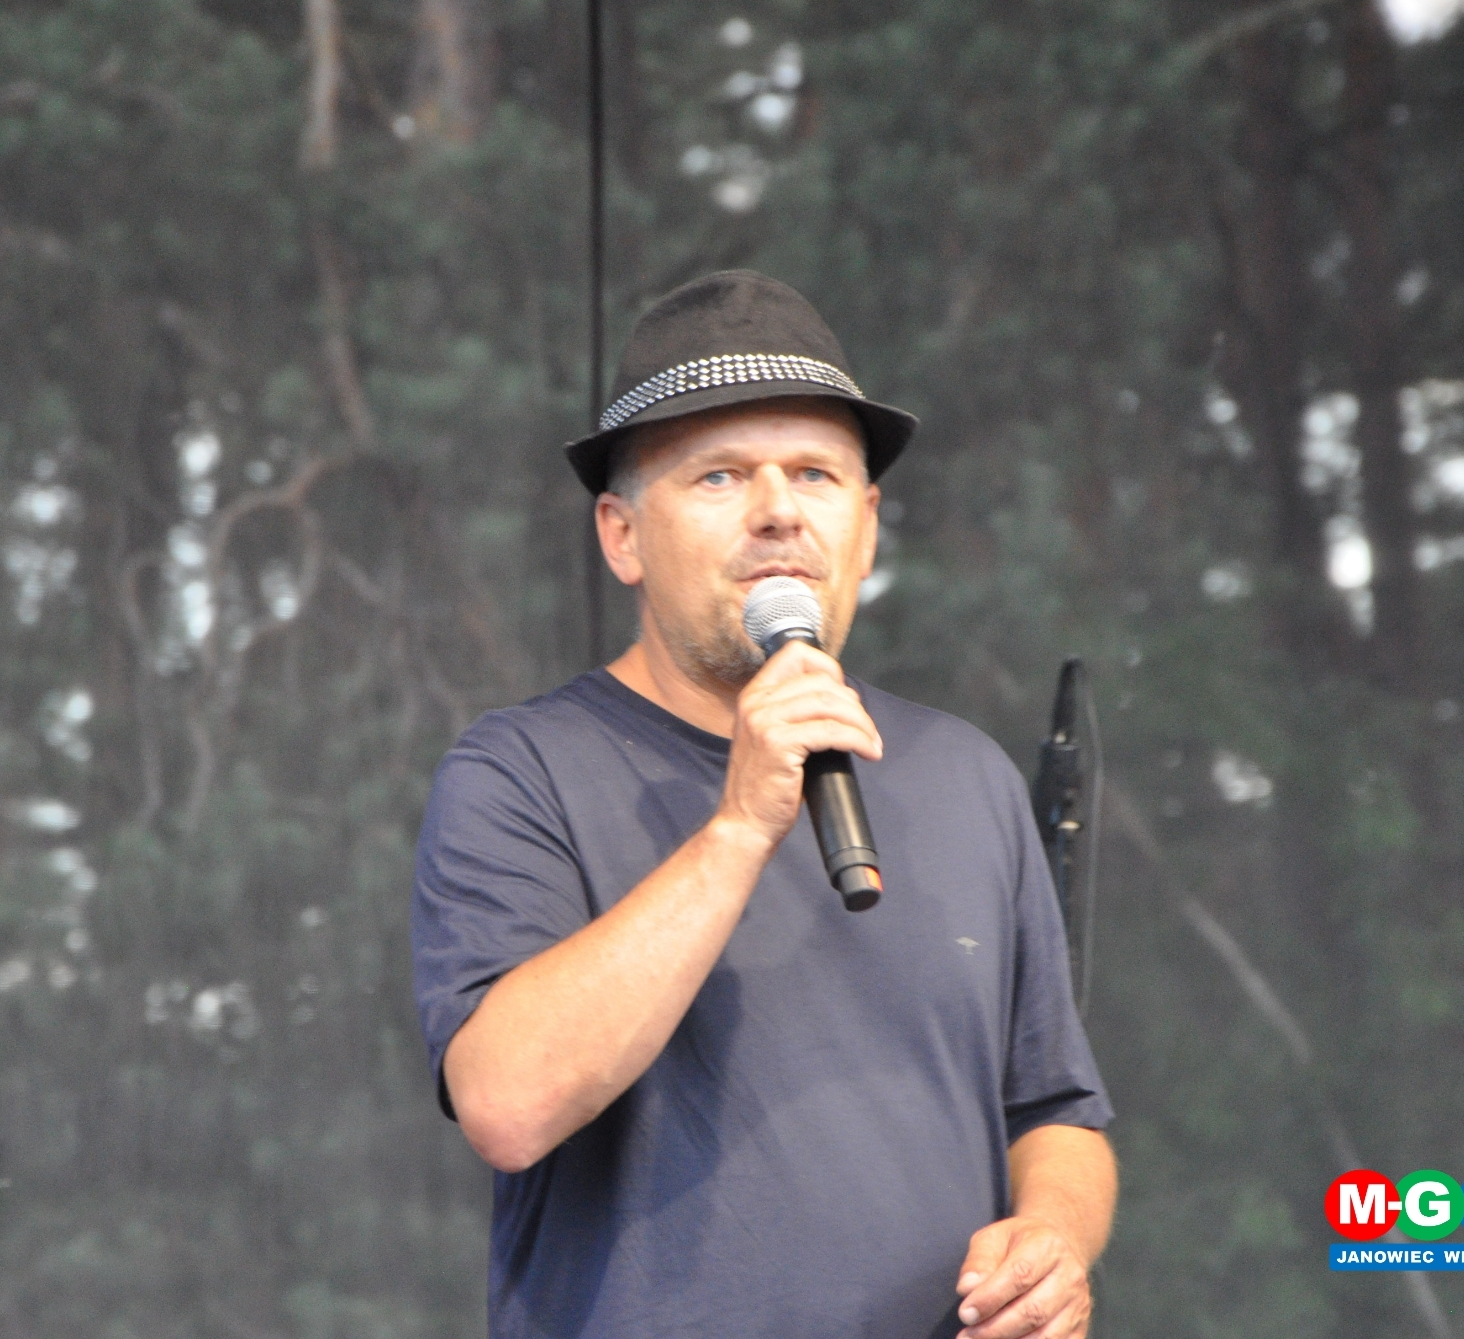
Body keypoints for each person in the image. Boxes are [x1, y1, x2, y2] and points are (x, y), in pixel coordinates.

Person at [412, 271, 1116, 1339]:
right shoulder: (520, 771)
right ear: (621, 535)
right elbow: (507, 1105)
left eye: (815, 474)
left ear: (865, 526)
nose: (779, 510)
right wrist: (739, 827)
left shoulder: (964, 775)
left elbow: (1055, 1108)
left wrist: (1055, 1239)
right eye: (720, 476)